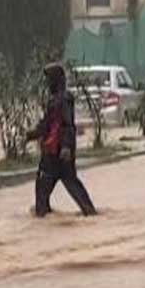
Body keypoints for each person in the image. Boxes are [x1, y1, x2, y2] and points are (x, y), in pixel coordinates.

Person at [27, 64, 98, 218]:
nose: (47, 83)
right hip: (54, 153)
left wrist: (65, 147)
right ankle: (88, 213)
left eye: (49, 79)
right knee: (51, 188)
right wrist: (32, 135)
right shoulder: (54, 100)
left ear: (56, 80)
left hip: (58, 153)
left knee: (54, 187)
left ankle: (43, 216)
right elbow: (47, 124)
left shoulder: (63, 100)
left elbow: (67, 124)